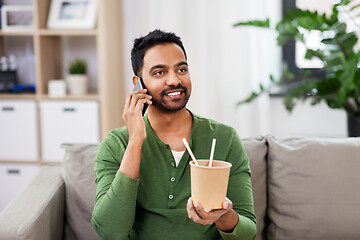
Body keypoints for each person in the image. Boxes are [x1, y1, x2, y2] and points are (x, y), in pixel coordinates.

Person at [91, 29, 256, 240]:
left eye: (181, 69)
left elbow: (248, 234)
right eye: (159, 72)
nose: (174, 80)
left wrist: (223, 216)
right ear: (138, 83)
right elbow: (109, 231)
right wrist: (135, 141)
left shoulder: (225, 138)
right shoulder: (116, 144)